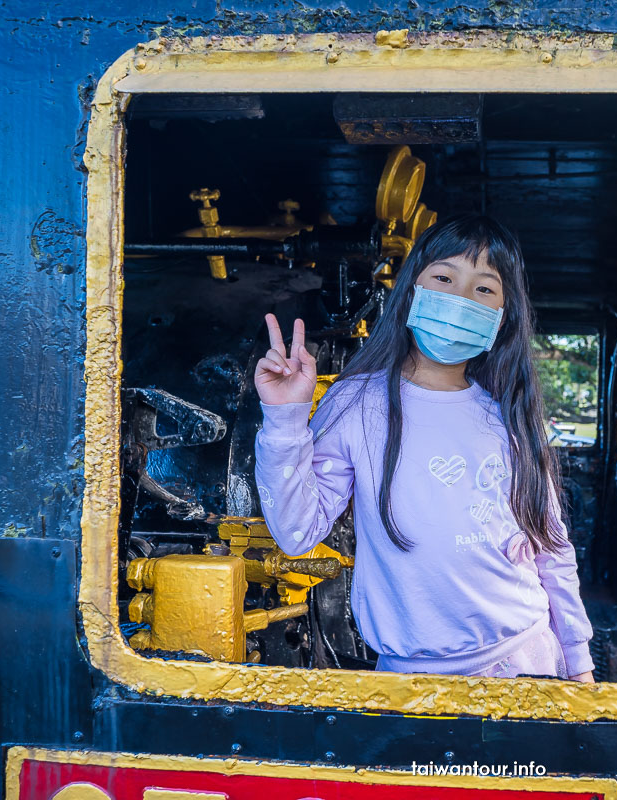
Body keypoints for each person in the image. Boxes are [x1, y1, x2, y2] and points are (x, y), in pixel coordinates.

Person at [252, 213, 596, 682]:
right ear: (412, 289)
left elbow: (551, 548)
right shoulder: (357, 401)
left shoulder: (509, 413)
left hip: (530, 662)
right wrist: (285, 417)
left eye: (484, 289)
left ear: (502, 316)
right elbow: (295, 532)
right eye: (443, 277)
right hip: (411, 682)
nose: (460, 298)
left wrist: (578, 664)